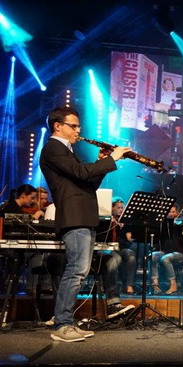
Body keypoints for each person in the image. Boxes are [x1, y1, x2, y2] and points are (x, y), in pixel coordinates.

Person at [39, 106, 131, 342]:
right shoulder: (53, 148)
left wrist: (101, 163)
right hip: (74, 216)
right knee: (76, 270)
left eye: (79, 126)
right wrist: (111, 158)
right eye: (73, 126)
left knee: (79, 272)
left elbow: (87, 183)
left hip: (83, 215)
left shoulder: (67, 151)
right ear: (58, 126)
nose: (78, 130)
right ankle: (62, 324)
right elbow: (81, 173)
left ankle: (66, 321)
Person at [150, 204, 183, 295]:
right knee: (152, 256)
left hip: (179, 253)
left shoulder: (179, 225)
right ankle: (155, 285)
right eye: (169, 212)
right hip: (165, 252)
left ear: (177, 213)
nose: (171, 214)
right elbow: (158, 240)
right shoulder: (163, 225)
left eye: (173, 212)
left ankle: (173, 284)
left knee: (165, 258)